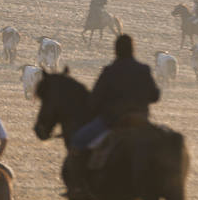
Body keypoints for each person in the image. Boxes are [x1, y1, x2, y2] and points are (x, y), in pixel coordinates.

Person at [69, 34, 160, 167]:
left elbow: (94, 100)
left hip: (113, 121)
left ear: (116, 50)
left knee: (78, 140)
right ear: (133, 50)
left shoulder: (110, 71)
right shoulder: (143, 70)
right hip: (140, 120)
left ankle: (78, 185)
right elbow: (155, 96)